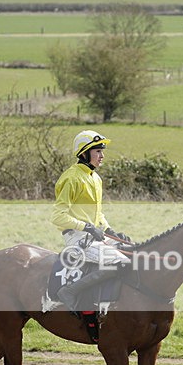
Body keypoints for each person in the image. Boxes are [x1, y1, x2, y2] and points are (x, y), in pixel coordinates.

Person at [51, 130, 130, 313]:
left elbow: (97, 213)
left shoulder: (95, 178)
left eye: (102, 151)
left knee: (131, 249)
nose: (102, 156)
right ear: (84, 153)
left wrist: (109, 230)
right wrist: (86, 227)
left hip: (93, 236)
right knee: (121, 263)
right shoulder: (71, 178)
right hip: (77, 239)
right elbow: (57, 216)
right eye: (98, 151)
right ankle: (69, 292)